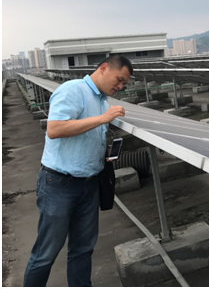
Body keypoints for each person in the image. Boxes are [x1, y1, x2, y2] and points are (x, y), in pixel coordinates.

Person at [23, 54, 133, 287]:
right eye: (119, 79)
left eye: (124, 83)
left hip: (89, 183)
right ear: (104, 68)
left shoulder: (101, 100)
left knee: (83, 249)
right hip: (59, 185)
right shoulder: (73, 90)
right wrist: (102, 119)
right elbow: (55, 129)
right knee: (46, 252)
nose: (121, 86)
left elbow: (86, 134)